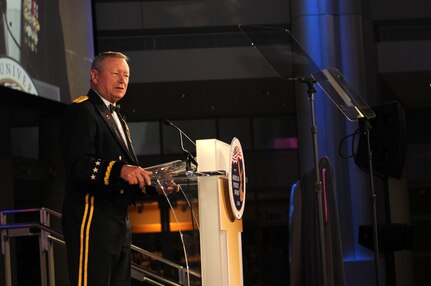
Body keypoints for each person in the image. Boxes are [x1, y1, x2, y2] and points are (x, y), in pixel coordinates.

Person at [60, 51, 154, 285]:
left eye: (126, 75)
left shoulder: (118, 118)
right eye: (116, 73)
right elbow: (79, 165)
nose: (123, 80)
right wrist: (120, 170)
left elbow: (129, 170)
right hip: (91, 216)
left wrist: (157, 185)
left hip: (119, 220)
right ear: (94, 75)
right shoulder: (82, 111)